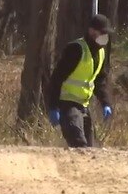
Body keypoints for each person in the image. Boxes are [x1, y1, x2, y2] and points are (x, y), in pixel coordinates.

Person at [48, 14, 113, 148]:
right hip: (67, 105)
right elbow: (56, 78)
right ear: (92, 31)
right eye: (102, 32)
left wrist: (105, 103)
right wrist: (53, 106)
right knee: (79, 145)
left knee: (90, 148)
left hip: (83, 106)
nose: (105, 36)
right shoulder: (75, 49)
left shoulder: (100, 53)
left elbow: (99, 81)